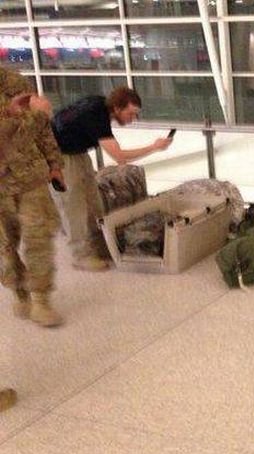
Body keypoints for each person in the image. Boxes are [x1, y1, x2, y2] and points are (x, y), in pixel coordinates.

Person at [50, 87, 173, 271]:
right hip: (58, 158)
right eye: (131, 114)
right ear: (117, 108)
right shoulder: (96, 114)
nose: (133, 119)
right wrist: (154, 147)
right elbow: (119, 156)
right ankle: (81, 255)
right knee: (73, 207)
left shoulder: (100, 106)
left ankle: (101, 246)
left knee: (94, 203)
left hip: (78, 152)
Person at [1, 67, 66, 326]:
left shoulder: (13, 80)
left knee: (39, 236)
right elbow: (9, 138)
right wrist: (36, 115)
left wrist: (54, 163)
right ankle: (20, 292)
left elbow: (41, 131)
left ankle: (41, 299)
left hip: (31, 179)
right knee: (5, 248)